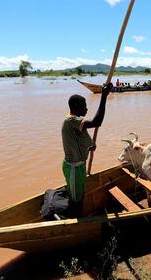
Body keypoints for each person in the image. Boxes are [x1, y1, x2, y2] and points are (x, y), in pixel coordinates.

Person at [61, 83, 113, 214]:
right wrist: (104, 97)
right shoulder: (71, 121)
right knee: (76, 199)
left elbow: (80, 138)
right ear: (76, 107)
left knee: (79, 195)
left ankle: (80, 214)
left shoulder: (76, 122)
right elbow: (97, 122)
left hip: (80, 166)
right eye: (84, 106)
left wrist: (90, 146)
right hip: (73, 167)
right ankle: (77, 220)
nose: (86, 109)